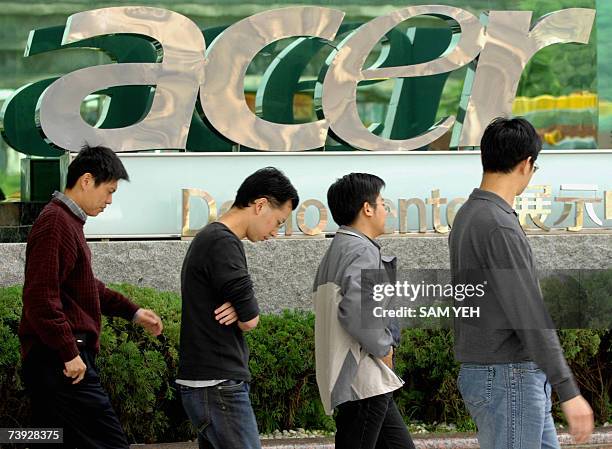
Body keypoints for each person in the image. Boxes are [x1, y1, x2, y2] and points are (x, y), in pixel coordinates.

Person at [449, 117, 594, 448]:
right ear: (527, 164)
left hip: (501, 374)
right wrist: (568, 390)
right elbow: (528, 313)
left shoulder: (469, 215)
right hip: (508, 377)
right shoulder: (497, 224)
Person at [19, 144, 163, 448]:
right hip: (61, 363)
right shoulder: (56, 223)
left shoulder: (67, 222)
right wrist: (68, 352)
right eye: (108, 191)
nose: (110, 200)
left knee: (48, 440)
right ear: (86, 180)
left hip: (57, 360)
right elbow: (40, 297)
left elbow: (83, 286)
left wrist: (133, 312)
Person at [177, 167, 299, 449]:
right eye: (278, 222)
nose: (275, 233)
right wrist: (242, 310)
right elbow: (251, 319)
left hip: (206, 383)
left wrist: (239, 307)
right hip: (218, 385)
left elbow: (242, 310)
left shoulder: (211, 238)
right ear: (260, 205)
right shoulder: (223, 242)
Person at [312, 173, 415, 449]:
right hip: (362, 378)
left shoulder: (338, 248)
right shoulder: (361, 251)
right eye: (383, 203)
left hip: (360, 379)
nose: (386, 210)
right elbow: (356, 311)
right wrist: (385, 349)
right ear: (367, 209)